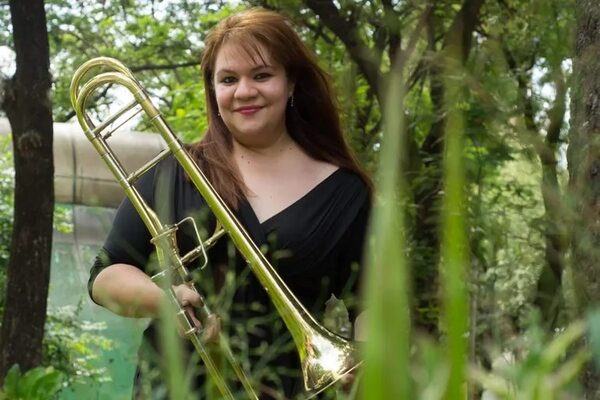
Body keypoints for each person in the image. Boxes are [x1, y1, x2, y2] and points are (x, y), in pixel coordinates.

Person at [88, 7, 372, 399]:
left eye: (261, 75)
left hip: (289, 388)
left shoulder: (346, 193)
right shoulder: (176, 172)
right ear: (213, 90)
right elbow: (105, 277)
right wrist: (163, 301)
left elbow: (373, 303)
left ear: (291, 83)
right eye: (228, 79)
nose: (244, 91)